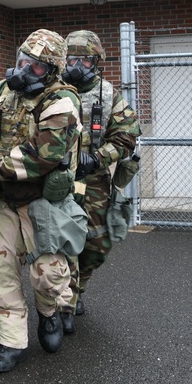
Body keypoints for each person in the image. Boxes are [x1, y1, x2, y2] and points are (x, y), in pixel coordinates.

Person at [0, 29, 84, 373]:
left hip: (43, 201)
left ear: (52, 71)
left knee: (47, 274)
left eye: (35, 66)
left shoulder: (62, 102)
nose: (24, 70)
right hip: (3, 199)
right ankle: (12, 341)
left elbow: (42, 155)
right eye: (21, 62)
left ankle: (49, 314)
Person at [61, 30, 142, 327]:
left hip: (94, 180)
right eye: (71, 59)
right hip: (58, 180)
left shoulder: (108, 95)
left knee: (96, 244)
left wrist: (98, 157)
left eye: (84, 59)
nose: (76, 65)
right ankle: (64, 304)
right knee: (60, 241)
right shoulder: (53, 91)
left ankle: (78, 288)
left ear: (96, 62)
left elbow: (128, 135)